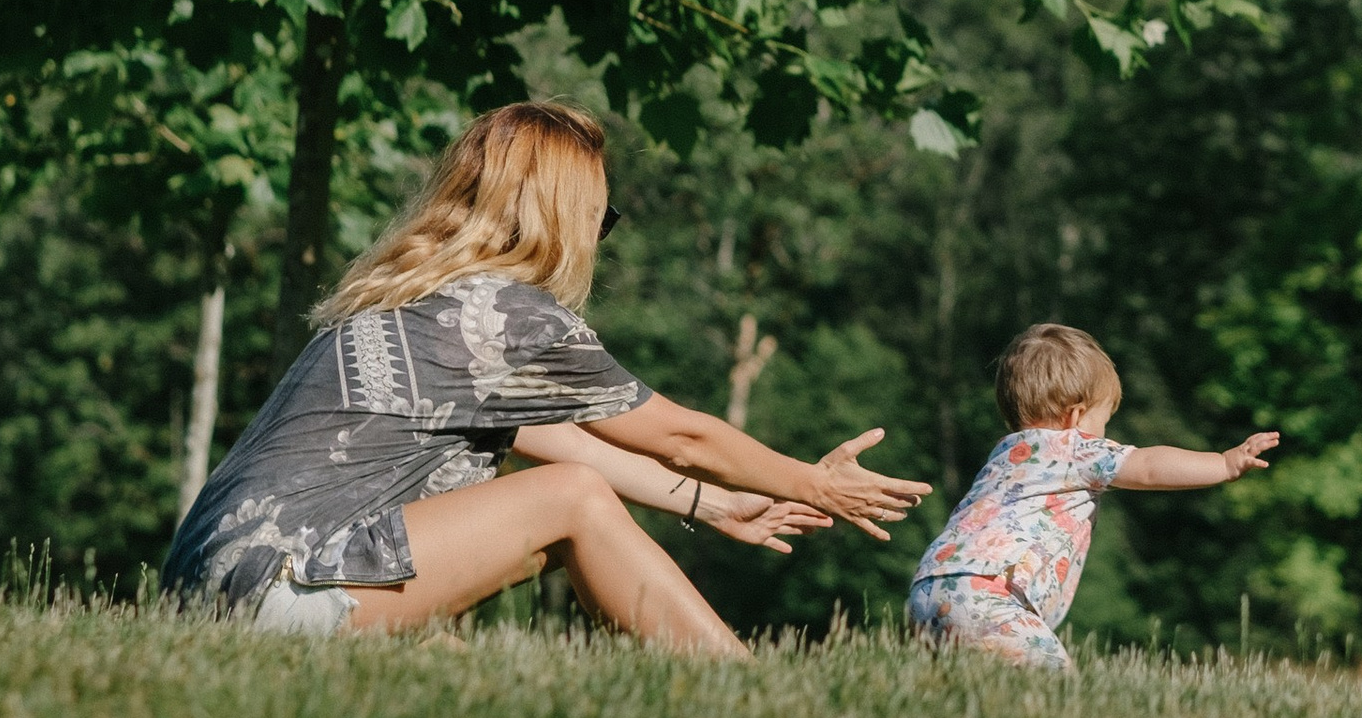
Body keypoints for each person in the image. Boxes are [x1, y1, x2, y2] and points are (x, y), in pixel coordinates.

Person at [161, 97, 929, 655]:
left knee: (473, 635)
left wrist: (717, 504)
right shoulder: (501, 313)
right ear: (562, 212)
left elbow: (552, 440)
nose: (601, 236)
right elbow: (681, 435)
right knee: (572, 504)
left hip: (214, 593)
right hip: (276, 593)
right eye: (600, 215)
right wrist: (812, 484)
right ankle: (748, 698)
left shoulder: (412, 299)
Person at [905, 319, 1278, 673]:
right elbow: (1148, 466)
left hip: (927, 588)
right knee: (1055, 690)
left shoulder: (1004, 456)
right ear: (1076, 416)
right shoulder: (1072, 447)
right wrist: (1223, 464)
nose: (1105, 435)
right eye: (1103, 420)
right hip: (990, 594)